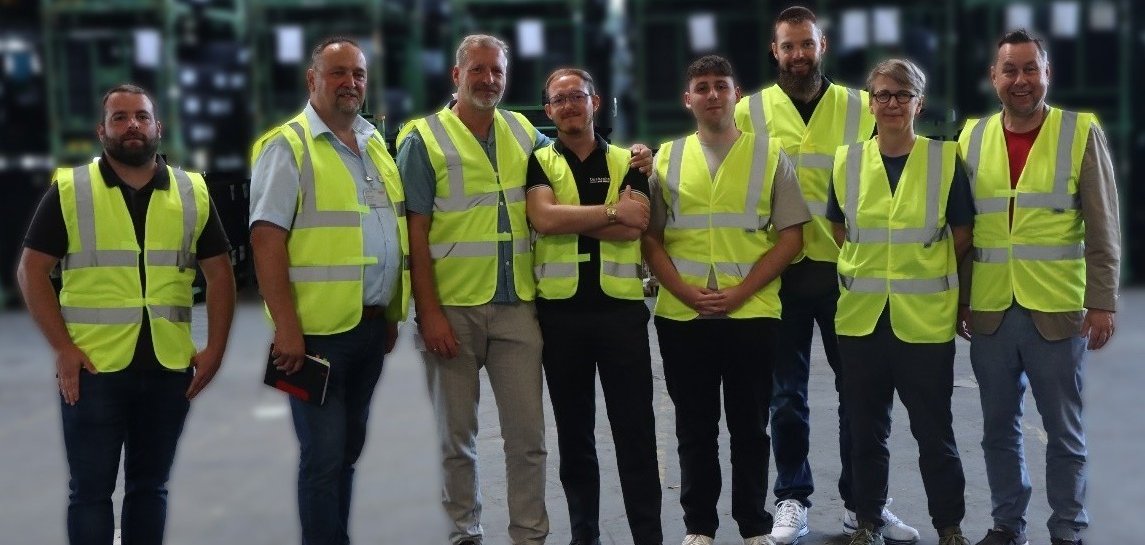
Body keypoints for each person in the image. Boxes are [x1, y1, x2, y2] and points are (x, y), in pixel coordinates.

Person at [395, 34, 650, 545]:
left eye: (497, 72)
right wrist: (429, 314)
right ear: (457, 75)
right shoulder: (422, 139)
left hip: (518, 310)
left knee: (528, 438)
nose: (488, 79)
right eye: (478, 70)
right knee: (456, 439)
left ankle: (529, 535)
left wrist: (636, 155)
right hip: (454, 309)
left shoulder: (524, 134)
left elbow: (574, 169)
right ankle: (464, 531)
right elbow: (414, 234)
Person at [17, 83, 235, 544]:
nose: (131, 124)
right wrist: (63, 349)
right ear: (102, 131)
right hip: (94, 368)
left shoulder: (191, 191)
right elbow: (32, 272)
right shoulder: (72, 189)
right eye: (119, 117)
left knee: (149, 488)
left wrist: (215, 348)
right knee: (91, 492)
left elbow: (220, 276)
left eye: (141, 116)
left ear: (159, 127)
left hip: (168, 366)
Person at [733, 7, 919, 544]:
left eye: (805, 45)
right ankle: (792, 498)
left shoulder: (861, 107)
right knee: (785, 395)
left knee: (859, 394)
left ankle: (864, 505)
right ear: (775, 51)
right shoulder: (750, 112)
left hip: (848, 273)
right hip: (782, 274)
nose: (797, 55)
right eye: (788, 47)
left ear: (823, 45)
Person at [957, 30, 1120, 545]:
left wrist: (1102, 302)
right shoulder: (971, 136)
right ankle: (1007, 524)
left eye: (1031, 69)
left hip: (1057, 308)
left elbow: (1103, 225)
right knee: (998, 430)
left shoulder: (1079, 132)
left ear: (1046, 74)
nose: (1020, 80)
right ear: (994, 77)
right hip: (989, 309)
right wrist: (960, 298)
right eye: (1010, 70)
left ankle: (1067, 527)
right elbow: (963, 232)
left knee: (1063, 432)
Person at [249, 37, 409, 545]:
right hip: (313, 340)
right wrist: (287, 330)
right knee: (322, 459)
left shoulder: (374, 142)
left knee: (347, 453)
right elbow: (266, 239)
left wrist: (389, 314)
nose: (351, 83)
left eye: (359, 74)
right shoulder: (288, 145)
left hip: (368, 327)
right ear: (311, 80)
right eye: (338, 73)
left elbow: (387, 229)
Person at [643, 54, 807, 545]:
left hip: (752, 313)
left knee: (751, 427)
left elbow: (791, 236)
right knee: (694, 427)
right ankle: (700, 526)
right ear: (687, 99)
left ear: (737, 94)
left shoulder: (771, 154)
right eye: (702, 86)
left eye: (721, 85)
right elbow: (650, 237)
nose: (712, 94)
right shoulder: (666, 158)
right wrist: (681, 290)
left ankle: (754, 524)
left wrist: (741, 290)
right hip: (682, 314)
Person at [825, 59, 973, 545]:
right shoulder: (846, 160)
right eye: (883, 95)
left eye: (902, 95)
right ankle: (866, 522)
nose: (892, 103)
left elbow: (963, 234)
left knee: (935, 434)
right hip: (862, 322)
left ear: (919, 103)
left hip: (924, 324)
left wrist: (913, 267)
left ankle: (949, 526)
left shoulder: (944, 159)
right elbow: (839, 227)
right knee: (864, 432)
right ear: (870, 102)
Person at [526, 67, 661, 545]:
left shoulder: (630, 161)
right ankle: (585, 534)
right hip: (561, 319)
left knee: (636, 434)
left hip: (620, 316)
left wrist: (569, 218)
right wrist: (608, 211)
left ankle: (649, 535)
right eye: (558, 100)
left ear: (595, 102)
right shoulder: (540, 161)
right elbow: (542, 218)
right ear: (548, 111)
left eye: (576, 97)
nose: (568, 106)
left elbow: (634, 226)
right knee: (575, 438)